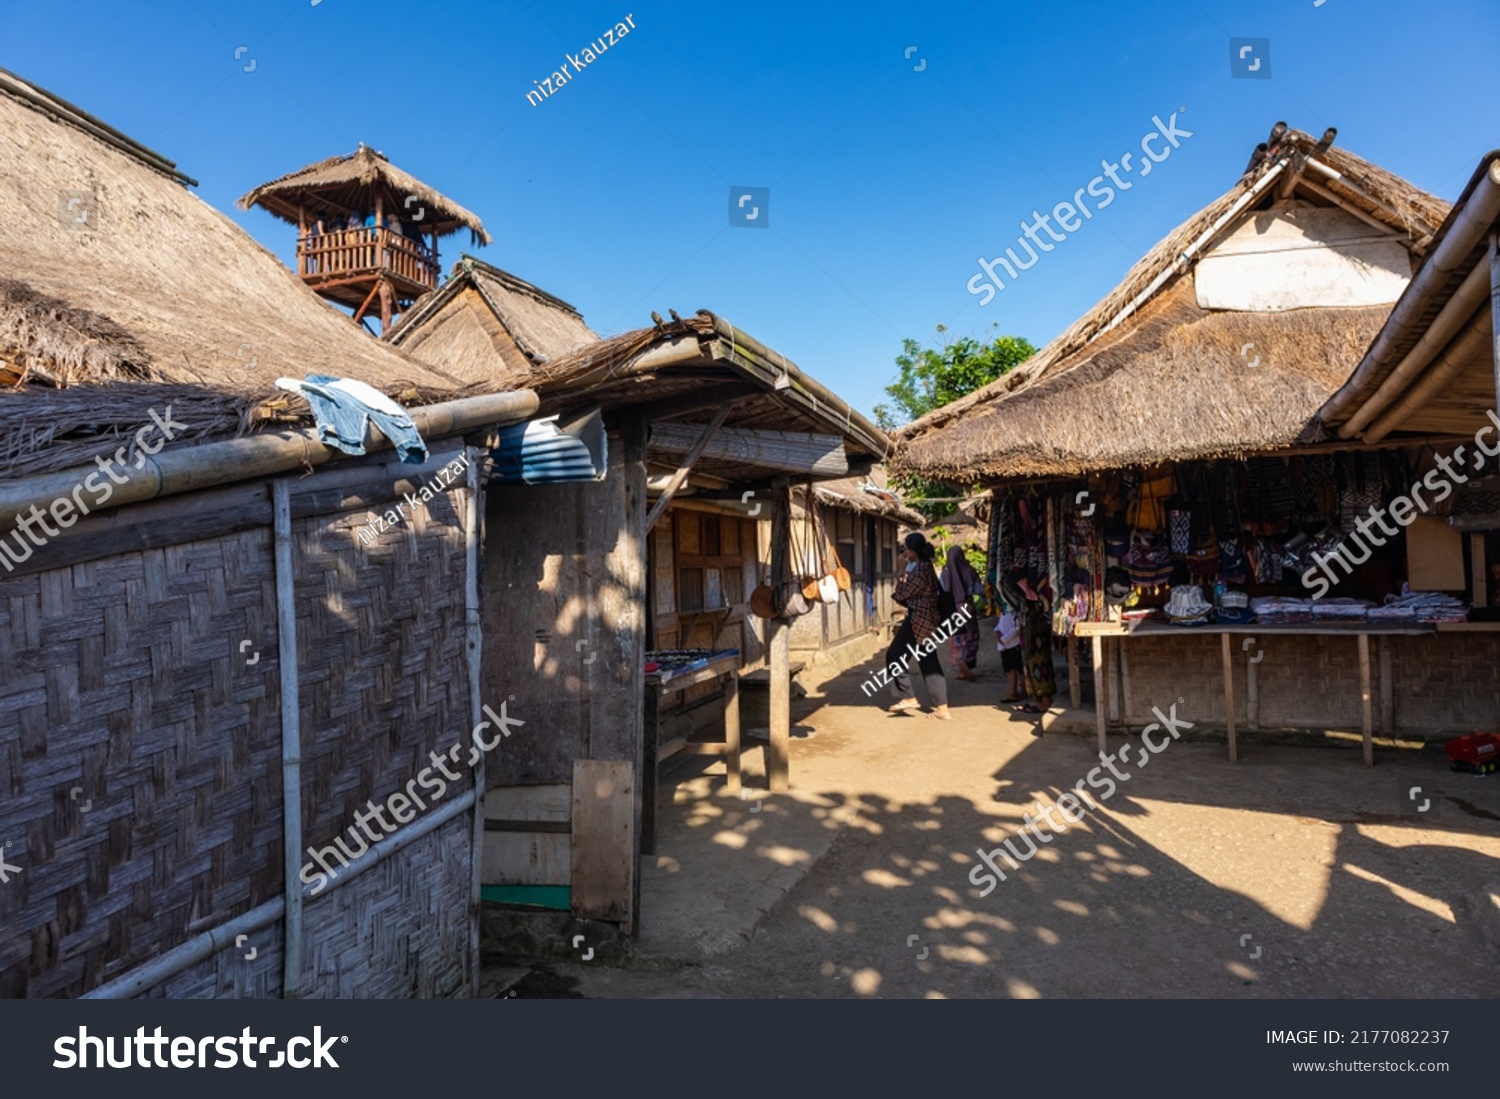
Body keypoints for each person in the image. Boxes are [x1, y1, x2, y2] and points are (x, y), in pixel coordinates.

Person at [885, 532, 950, 720]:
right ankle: (942, 708)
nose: (904, 552)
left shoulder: (920, 569)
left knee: (894, 654)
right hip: (927, 619)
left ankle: (908, 696)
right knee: (929, 661)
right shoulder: (925, 566)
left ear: (913, 551)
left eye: (906, 548)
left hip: (918, 620)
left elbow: (902, 594)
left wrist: (901, 571)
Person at [940, 545, 982, 681]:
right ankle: (968, 665)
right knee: (970, 635)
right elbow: (979, 590)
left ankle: (960, 661)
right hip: (967, 607)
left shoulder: (945, 573)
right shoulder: (969, 570)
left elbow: (941, 592)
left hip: (953, 608)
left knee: (957, 637)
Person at [994, 603, 1022, 701]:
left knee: (1020, 669)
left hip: (1014, 643)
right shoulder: (1004, 609)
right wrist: (997, 631)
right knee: (1009, 668)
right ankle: (1012, 691)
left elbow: (1018, 627)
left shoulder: (1016, 610)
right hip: (1003, 645)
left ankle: (1024, 690)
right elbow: (1000, 623)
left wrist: (1005, 639)